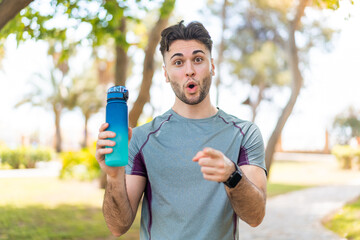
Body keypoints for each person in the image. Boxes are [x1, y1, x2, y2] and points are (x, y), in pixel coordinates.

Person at [95, 20, 267, 240]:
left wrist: (232, 175)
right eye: (178, 62)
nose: (190, 71)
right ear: (166, 74)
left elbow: (255, 216)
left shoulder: (244, 134)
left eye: (198, 59)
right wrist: (114, 176)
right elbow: (118, 227)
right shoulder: (140, 138)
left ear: (212, 66)